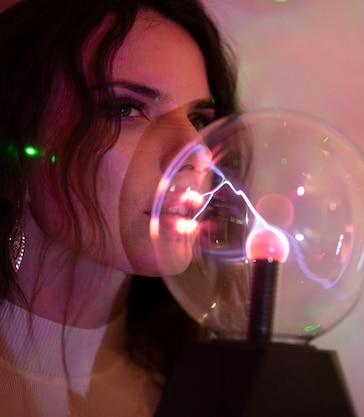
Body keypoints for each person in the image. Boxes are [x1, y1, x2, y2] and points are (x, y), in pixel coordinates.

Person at [0, 0, 248, 415]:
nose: (197, 156)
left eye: (200, 121)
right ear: (16, 157)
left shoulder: (202, 390)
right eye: (126, 109)